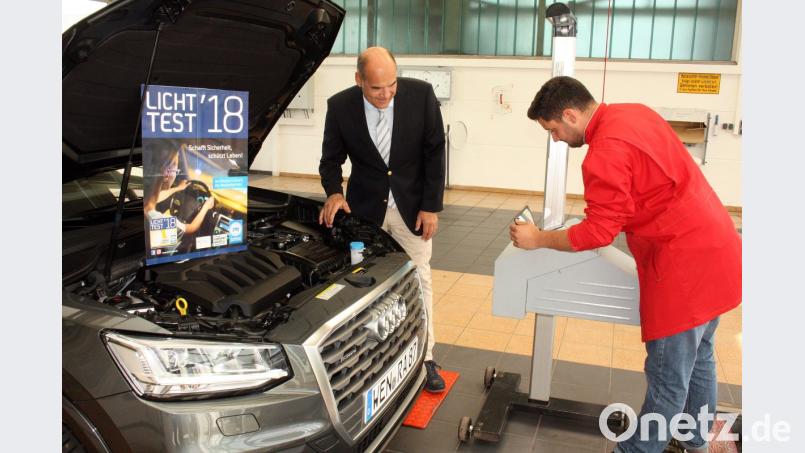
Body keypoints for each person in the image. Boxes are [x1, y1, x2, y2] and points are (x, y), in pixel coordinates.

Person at [510, 76, 741, 453]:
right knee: (699, 357)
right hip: (717, 247)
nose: (556, 139)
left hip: (684, 267)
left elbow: (598, 232)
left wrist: (539, 239)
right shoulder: (635, 113)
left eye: (553, 130)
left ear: (570, 115)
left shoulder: (604, 151)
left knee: (667, 379)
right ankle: (695, 440)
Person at [318, 47, 446, 392]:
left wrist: (431, 206)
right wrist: (334, 192)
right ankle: (369, 358)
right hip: (365, 212)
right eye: (376, 88)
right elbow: (330, 160)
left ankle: (427, 356)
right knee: (364, 284)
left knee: (419, 278)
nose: (386, 94)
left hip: (412, 209)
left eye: (391, 85)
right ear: (358, 80)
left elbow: (435, 152)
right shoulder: (340, 106)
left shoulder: (421, 95)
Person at [144, 144, 214, 255]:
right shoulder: (158, 219)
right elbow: (192, 228)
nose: (176, 172)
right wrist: (206, 207)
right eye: (175, 167)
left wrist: (178, 188)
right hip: (166, 257)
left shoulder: (146, 204)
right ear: (166, 175)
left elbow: (156, 197)